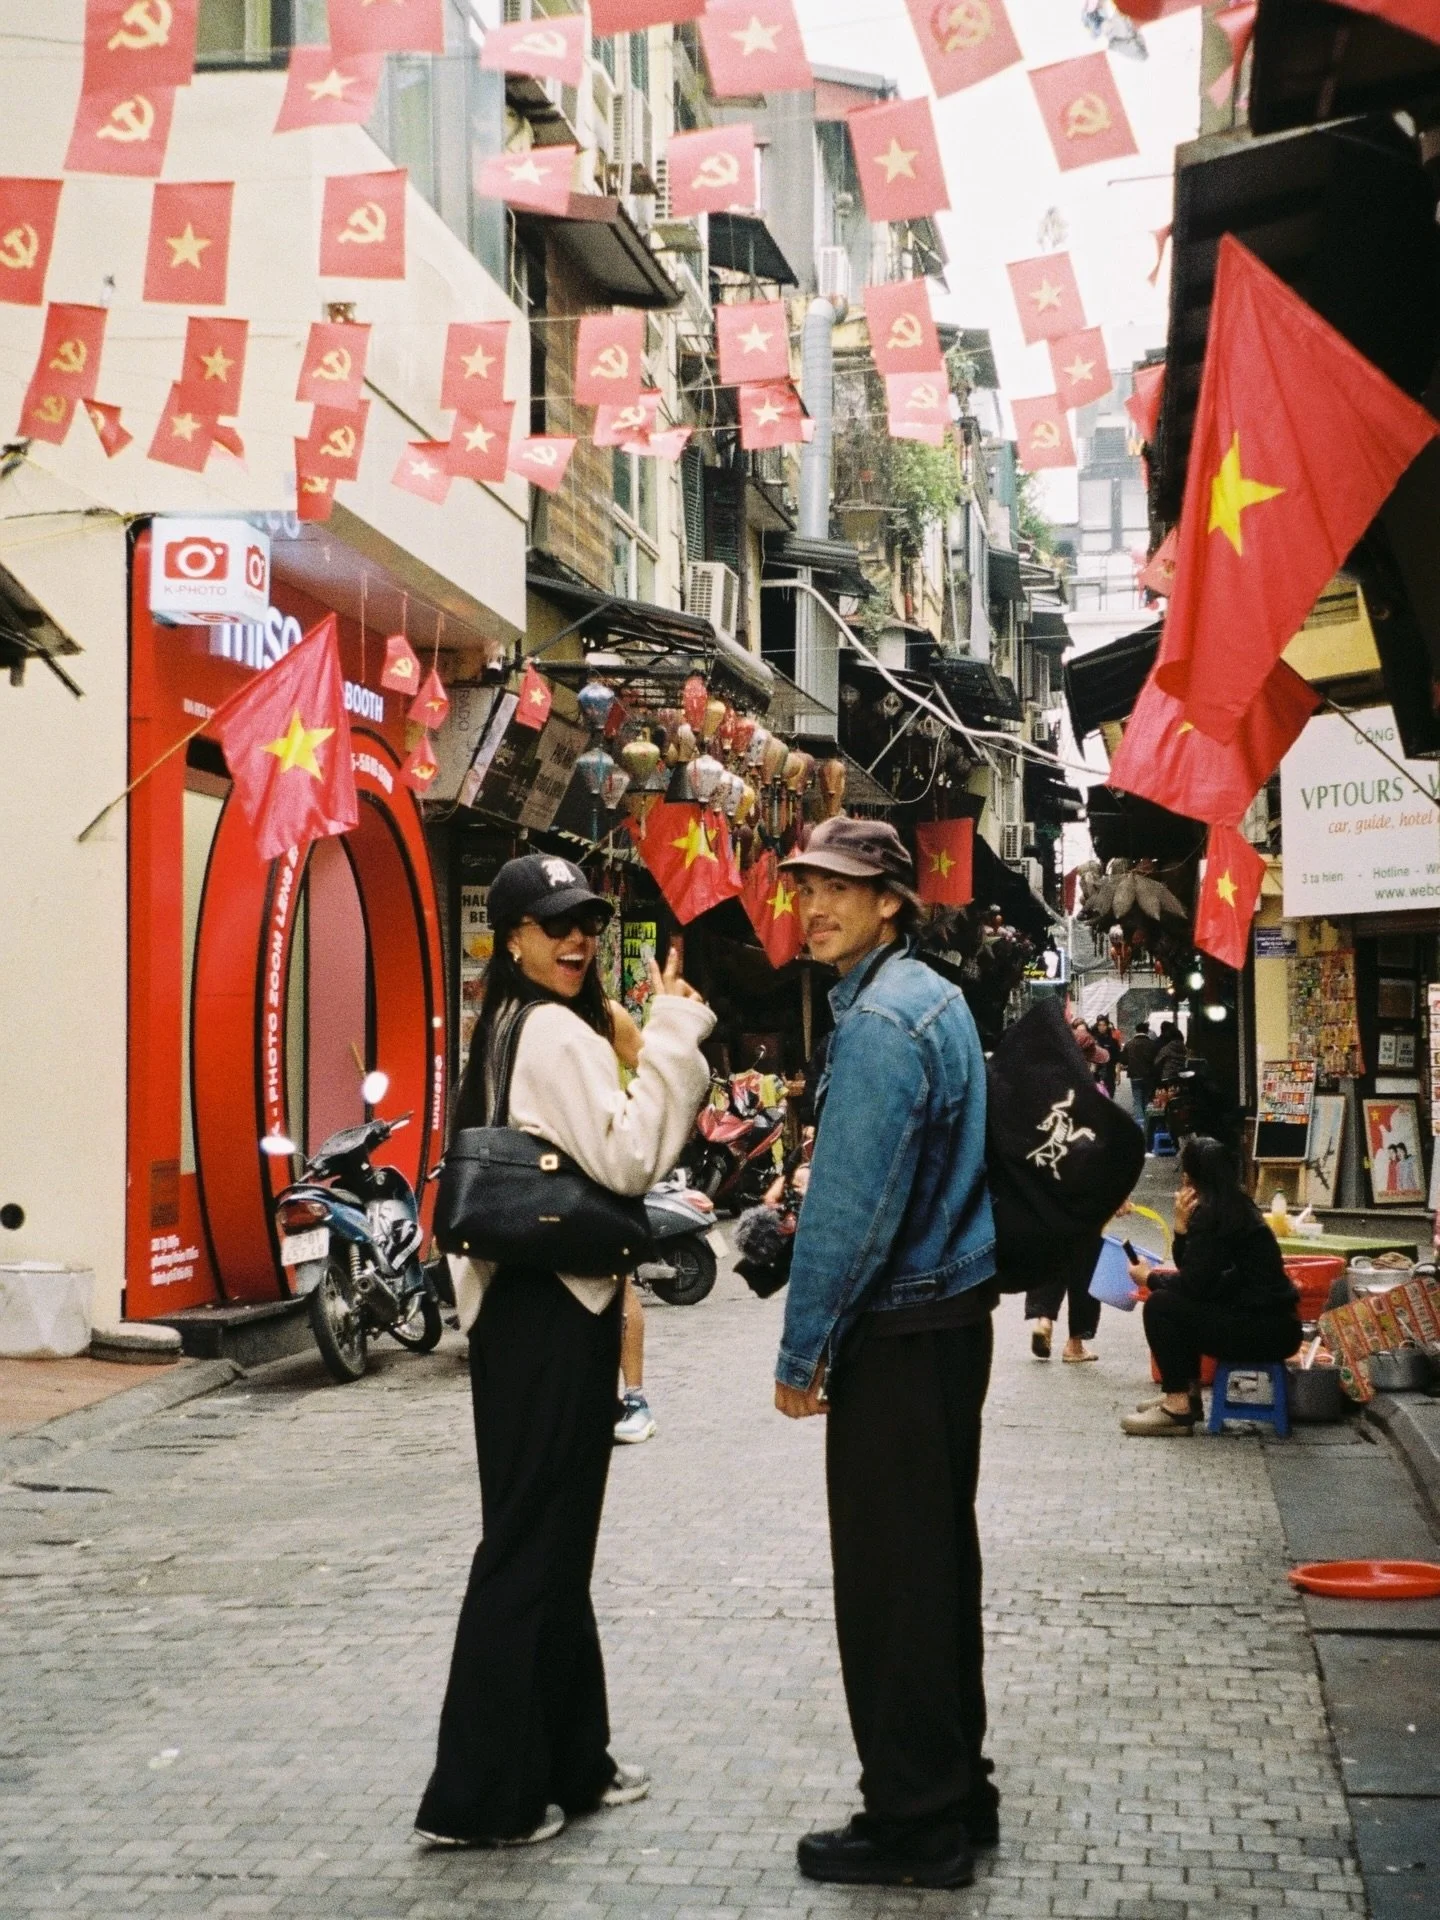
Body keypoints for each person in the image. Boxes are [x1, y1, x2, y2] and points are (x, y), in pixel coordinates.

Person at [416, 854, 713, 1847]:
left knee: (546, 1539)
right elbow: (631, 1156)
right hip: (552, 1311)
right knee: (531, 1549)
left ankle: (572, 1760)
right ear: (513, 940)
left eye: (585, 920)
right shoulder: (549, 1029)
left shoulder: (503, 1024)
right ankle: (484, 1795)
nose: (577, 939)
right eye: (555, 926)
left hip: (516, 1311)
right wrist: (670, 1035)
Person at [772, 817, 999, 1892]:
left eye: (839, 890)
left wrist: (802, 1350)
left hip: (900, 1336)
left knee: (892, 1586)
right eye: (806, 886)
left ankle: (915, 1826)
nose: (814, 906)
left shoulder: (878, 1027)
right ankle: (959, 1790)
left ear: (890, 904)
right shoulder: (937, 1000)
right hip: (952, 1324)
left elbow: (853, 1217)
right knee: (939, 1568)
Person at [1122, 1135, 1302, 1436]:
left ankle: (1177, 1407)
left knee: (1160, 1305)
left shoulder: (1215, 1214)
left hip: (1264, 1330)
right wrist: (1181, 1229)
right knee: (1174, 1300)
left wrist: (1149, 1278)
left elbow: (1192, 1284)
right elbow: (1198, 1275)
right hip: (1275, 1326)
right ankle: (1186, 1394)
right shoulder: (1235, 1205)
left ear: (1190, 1177)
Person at [609, 1003, 656, 1446]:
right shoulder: (523, 1015)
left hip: (602, 1172)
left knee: (616, 1280)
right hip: (539, 1173)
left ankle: (635, 1397)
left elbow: (653, 1079)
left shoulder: (607, 1015)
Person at [1121, 1024, 1157, 1129]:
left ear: (1136, 1030)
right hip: (1148, 1076)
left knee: (1137, 1100)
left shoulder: (1129, 1044)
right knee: (1147, 1099)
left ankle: (1139, 1124)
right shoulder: (1152, 1044)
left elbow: (1123, 1060)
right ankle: (1148, 1124)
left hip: (1135, 1076)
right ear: (1147, 1031)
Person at [1091, 1015, 1121, 1097]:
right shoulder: (1093, 1040)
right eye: (1099, 1025)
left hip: (1109, 1073)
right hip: (1096, 1074)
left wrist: (1118, 1075)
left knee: (1110, 1096)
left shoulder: (1113, 1042)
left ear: (1107, 1026)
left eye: (1103, 1025)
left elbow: (1117, 1060)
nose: (1101, 1027)